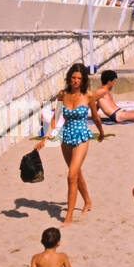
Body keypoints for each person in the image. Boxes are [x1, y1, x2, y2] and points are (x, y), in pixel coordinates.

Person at [48, 63, 103, 225]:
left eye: (79, 78)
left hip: (82, 137)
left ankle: (69, 216)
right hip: (66, 138)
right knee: (76, 173)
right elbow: (55, 117)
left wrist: (101, 132)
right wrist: (46, 137)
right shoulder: (62, 95)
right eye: (73, 77)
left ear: (83, 80)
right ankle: (87, 201)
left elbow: (95, 116)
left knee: (71, 176)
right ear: (69, 78)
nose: (76, 81)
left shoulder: (88, 96)